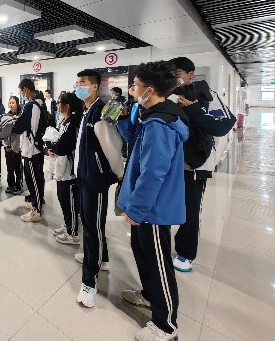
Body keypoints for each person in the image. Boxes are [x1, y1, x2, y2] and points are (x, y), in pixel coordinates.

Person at [116, 61, 189, 341]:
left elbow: (153, 173)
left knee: (158, 263)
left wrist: (136, 209)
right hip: (145, 206)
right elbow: (135, 145)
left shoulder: (160, 124)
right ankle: (149, 295)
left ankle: (166, 325)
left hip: (153, 208)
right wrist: (124, 119)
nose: (131, 89)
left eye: (135, 85)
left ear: (150, 89)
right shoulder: (151, 117)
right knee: (143, 254)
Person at [170, 56, 232, 274]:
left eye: (177, 74)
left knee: (190, 209)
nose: (174, 78)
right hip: (168, 163)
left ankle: (186, 253)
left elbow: (222, 126)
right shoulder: (166, 96)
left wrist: (195, 110)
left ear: (190, 74)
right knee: (164, 205)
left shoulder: (207, 96)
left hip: (194, 165)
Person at [73, 69, 124, 307]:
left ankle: (89, 284)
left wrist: (120, 173)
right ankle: (102, 259)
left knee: (93, 230)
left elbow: (112, 147)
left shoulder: (101, 111)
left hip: (95, 179)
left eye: (82, 83)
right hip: (85, 176)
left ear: (94, 86)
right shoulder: (87, 110)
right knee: (90, 224)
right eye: (77, 83)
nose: (78, 86)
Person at [49, 92, 83, 245]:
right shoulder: (63, 120)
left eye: (59, 102)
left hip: (69, 169)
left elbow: (64, 145)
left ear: (67, 106)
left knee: (69, 200)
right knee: (62, 198)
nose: (57, 105)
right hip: (60, 166)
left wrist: (54, 145)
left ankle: (73, 232)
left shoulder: (73, 122)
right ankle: (68, 224)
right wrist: (50, 147)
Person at [12, 79, 46, 222]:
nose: (21, 94)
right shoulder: (40, 103)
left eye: (21, 91)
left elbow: (20, 126)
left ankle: (37, 210)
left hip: (31, 149)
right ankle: (35, 202)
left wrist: (13, 124)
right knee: (37, 177)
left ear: (25, 89)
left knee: (33, 180)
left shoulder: (31, 105)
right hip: (36, 147)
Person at [4, 96, 23, 195]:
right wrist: (6, 145)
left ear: (17, 104)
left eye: (13, 103)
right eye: (10, 103)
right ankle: (10, 184)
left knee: (17, 166)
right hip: (8, 145)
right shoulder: (6, 116)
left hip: (18, 145)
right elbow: (4, 131)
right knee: (9, 166)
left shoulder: (22, 116)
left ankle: (19, 185)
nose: (11, 105)